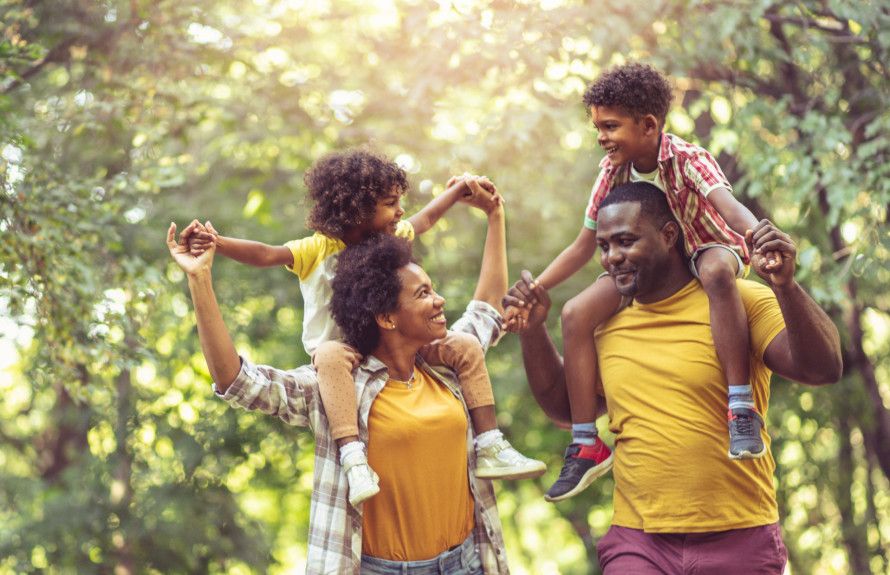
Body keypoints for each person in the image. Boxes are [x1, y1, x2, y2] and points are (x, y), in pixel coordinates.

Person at [505, 182, 842, 574]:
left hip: (741, 536)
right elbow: (566, 410)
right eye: (604, 246)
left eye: (626, 241)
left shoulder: (737, 301)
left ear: (668, 235)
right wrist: (533, 331)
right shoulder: (603, 326)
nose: (612, 257)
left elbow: (822, 368)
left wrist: (786, 286)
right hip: (639, 543)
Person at [188, 148, 543, 506]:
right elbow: (265, 255)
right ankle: (353, 458)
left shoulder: (439, 359)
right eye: (390, 203)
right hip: (338, 358)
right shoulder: (319, 250)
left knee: (465, 345)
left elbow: (428, 222)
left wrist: (471, 198)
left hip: (460, 542)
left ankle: (490, 443)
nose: (400, 211)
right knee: (331, 355)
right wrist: (214, 249)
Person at [167, 211, 515, 573]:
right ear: (387, 318)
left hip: (466, 563)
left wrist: (495, 215)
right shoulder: (338, 388)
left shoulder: (449, 366)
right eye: (423, 293)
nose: (439, 300)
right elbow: (237, 381)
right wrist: (199, 278)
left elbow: (487, 311)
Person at [511, 63, 778, 502]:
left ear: (649, 125)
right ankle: (585, 442)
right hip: (647, 264)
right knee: (576, 313)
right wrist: (534, 289)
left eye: (611, 126)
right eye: (598, 127)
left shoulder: (687, 159)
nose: (602, 137)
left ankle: (740, 406)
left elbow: (728, 208)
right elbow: (582, 246)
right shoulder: (611, 171)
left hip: (708, 247)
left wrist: (760, 238)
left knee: (715, 273)